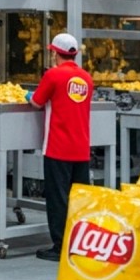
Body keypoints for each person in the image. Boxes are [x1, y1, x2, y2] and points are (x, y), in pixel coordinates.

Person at [26, 32, 93, 263]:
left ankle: (60, 246)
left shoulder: (53, 75)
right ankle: (79, 243)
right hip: (82, 147)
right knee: (78, 200)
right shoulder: (86, 78)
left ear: (55, 52)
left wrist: (28, 96)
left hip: (58, 147)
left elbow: (36, 102)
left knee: (58, 199)